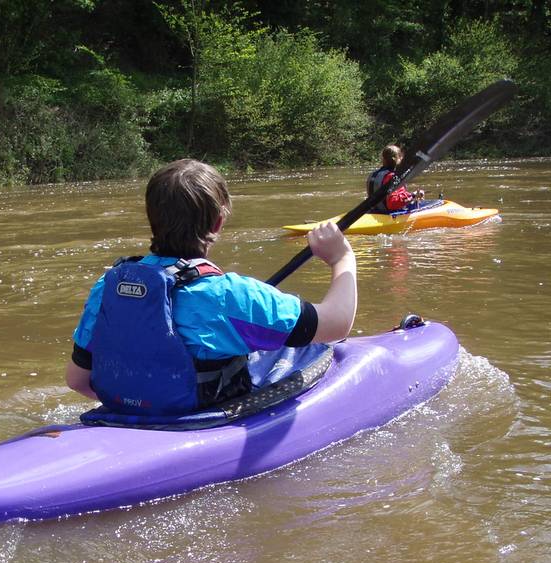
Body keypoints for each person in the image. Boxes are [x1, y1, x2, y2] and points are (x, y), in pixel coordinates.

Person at [65, 158, 357, 416]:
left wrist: (141, 403)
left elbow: (77, 380)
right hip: (199, 419)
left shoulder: (109, 286)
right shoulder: (232, 295)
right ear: (217, 223)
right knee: (302, 347)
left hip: (121, 413)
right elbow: (337, 324)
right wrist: (342, 259)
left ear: (151, 219)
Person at [366, 144, 425, 213]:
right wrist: (414, 195)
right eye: (401, 158)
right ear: (397, 159)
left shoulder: (373, 174)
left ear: (384, 159)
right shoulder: (394, 177)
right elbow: (392, 204)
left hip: (373, 213)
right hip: (388, 215)